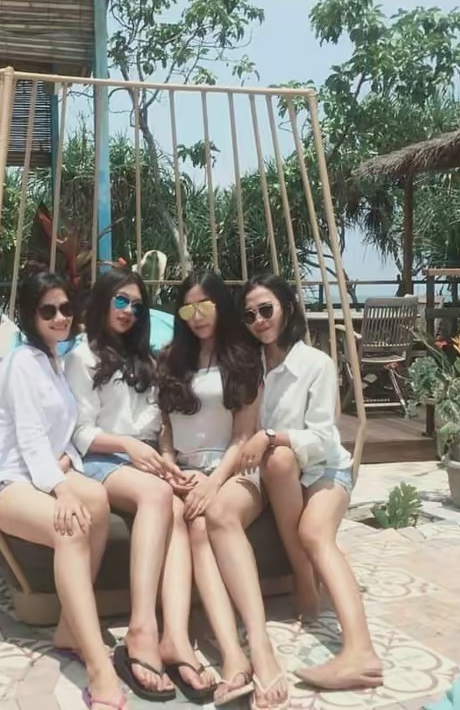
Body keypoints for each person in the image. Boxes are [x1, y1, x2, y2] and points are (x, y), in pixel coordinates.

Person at [218, 274, 382, 703]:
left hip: (325, 470)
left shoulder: (315, 364)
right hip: (277, 475)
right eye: (249, 315)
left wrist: (272, 434)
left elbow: (325, 440)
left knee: (313, 530)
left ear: (287, 308)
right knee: (276, 462)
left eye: (266, 309)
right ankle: (304, 582)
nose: (259, 321)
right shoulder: (252, 365)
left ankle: (361, 651)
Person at [0, 267, 126, 710]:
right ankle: (98, 668)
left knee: (97, 500)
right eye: (48, 311)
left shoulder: (55, 361)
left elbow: (60, 434)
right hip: (5, 479)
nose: (60, 317)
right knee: (72, 527)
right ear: (30, 315)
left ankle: (67, 628)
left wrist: (65, 466)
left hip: (39, 470)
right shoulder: (23, 362)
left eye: (66, 308)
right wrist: (61, 489)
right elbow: (28, 436)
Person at [64, 267, 214, 702]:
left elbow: (159, 424)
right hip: (100, 457)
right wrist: (130, 448)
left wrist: (166, 459)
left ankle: (176, 637)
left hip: (143, 458)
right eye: (120, 301)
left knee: (178, 509)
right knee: (156, 493)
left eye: (135, 304)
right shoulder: (82, 357)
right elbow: (80, 432)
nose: (128, 310)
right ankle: (141, 629)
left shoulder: (144, 359)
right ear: (101, 302)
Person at [156, 271, 263, 707]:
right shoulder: (170, 360)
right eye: (187, 308)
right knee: (193, 526)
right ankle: (232, 656)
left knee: (201, 525)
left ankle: (235, 655)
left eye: (205, 305)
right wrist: (168, 464)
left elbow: (242, 436)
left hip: (229, 470)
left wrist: (214, 480)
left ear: (220, 305)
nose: (197, 316)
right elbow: (165, 429)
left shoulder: (244, 359)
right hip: (183, 471)